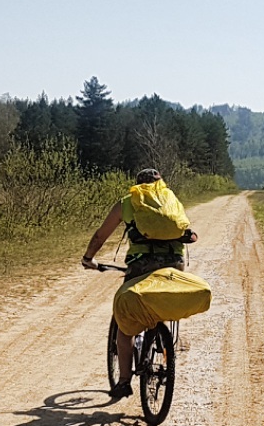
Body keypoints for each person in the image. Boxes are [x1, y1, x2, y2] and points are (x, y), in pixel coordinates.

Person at [81, 168, 198, 399]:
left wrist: (88, 258)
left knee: (125, 322)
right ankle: (160, 342)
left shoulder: (128, 201)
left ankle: (124, 381)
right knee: (160, 304)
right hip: (175, 262)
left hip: (140, 264)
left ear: (137, 185)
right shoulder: (171, 200)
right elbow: (189, 234)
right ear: (160, 183)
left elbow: (100, 236)